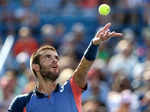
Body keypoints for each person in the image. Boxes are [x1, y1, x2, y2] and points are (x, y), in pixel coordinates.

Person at [8, 23, 122, 112]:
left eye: (56, 58)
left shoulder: (71, 89)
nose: (54, 60)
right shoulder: (20, 103)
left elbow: (83, 69)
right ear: (36, 67)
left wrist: (94, 45)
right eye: (48, 57)